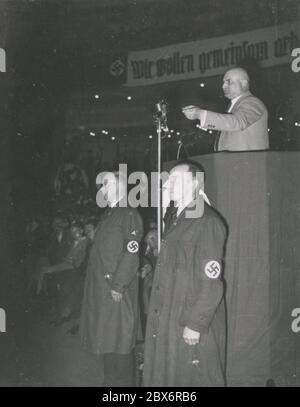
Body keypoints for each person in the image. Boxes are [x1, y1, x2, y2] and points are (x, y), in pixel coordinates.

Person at [143, 159, 227, 387]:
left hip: (187, 316)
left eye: (174, 180)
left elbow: (212, 281)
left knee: (192, 378)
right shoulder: (176, 217)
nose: (167, 184)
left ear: (194, 184)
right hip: (172, 311)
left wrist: (196, 323)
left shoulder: (207, 221)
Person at [80, 170, 143, 387]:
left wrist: (118, 285)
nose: (102, 188)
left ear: (121, 185)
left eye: (106, 183)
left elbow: (131, 252)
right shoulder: (110, 213)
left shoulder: (128, 214)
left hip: (116, 291)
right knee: (109, 344)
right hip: (104, 290)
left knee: (120, 345)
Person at [182, 67, 269, 151]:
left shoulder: (252, 102)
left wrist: (200, 114)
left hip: (246, 163)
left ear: (244, 83)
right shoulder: (235, 105)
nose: (223, 86)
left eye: (228, 82)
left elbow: (238, 122)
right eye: (223, 82)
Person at [40, 222, 88, 325]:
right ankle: (63, 315)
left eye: (76, 230)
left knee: (69, 290)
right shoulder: (74, 242)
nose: (74, 233)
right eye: (72, 231)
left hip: (78, 273)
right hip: (69, 271)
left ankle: (70, 318)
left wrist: (53, 269)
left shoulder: (85, 243)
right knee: (59, 287)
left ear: (81, 230)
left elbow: (75, 263)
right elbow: (67, 260)